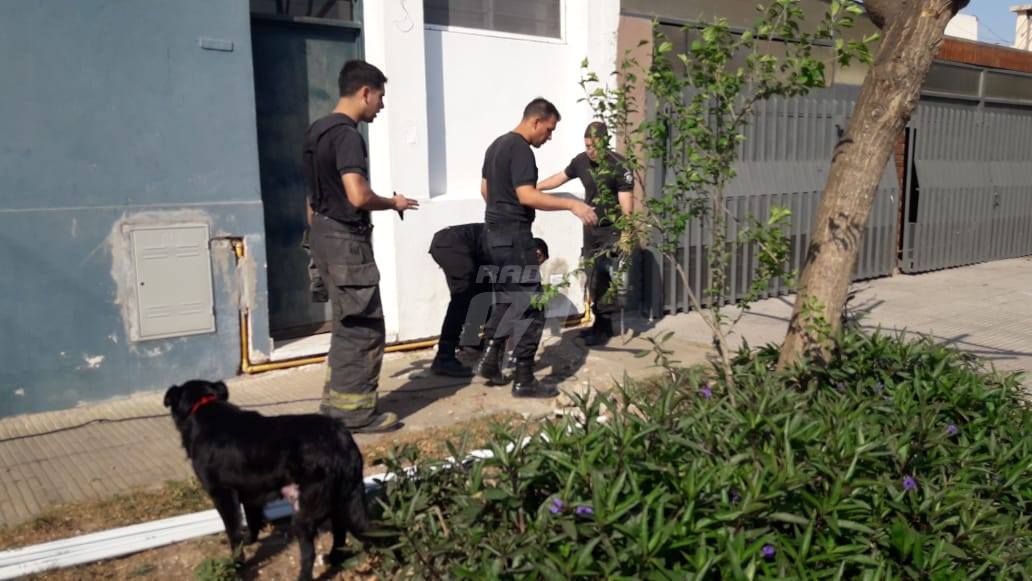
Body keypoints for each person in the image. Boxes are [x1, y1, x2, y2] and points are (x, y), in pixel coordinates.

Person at [302, 60, 419, 433]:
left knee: (344, 323)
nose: (381, 106)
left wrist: (319, 241)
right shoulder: (348, 135)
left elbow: (310, 198)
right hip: (344, 240)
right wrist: (393, 203)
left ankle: (336, 406)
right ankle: (354, 414)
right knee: (364, 327)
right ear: (365, 92)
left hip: (321, 232)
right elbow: (357, 194)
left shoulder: (316, 131)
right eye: (380, 97)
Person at [475, 98, 598, 398]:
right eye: (550, 129)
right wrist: (571, 203)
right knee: (532, 307)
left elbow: (485, 190)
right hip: (515, 238)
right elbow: (528, 196)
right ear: (535, 121)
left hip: (493, 236)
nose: (550, 136)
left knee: (505, 300)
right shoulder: (520, 149)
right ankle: (524, 379)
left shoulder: (496, 145)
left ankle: (490, 358)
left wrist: (500, 211)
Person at [538, 121, 634, 346]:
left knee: (603, 277)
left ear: (605, 142)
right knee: (591, 275)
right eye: (587, 145)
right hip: (590, 227)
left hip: (612, 230)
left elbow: (626, 202)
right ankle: (599, 325)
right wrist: (535, 187)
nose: (590, 150)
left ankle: (604, 327)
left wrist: (627, 233)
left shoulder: (619, 165)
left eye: (594, 145)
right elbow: (561, 176)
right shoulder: (581, 161)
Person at [428, 223, 548, 377]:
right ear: (536, 253)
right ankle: (444, 357)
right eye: (538, 262)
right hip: (451, 244)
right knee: (463, 297)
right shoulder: (513, 248)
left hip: (459, 246)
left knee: (483, 291)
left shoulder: (514, 247)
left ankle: (471, 341)